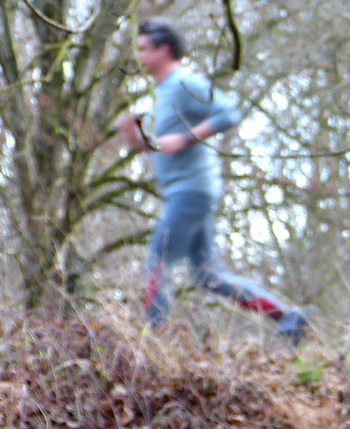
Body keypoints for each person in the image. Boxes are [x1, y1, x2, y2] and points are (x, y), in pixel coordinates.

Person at [116, 18, 309, 345]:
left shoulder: (184, 82)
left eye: (144, 49)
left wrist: (187, 138)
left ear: (164, 49)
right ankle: (288, 316)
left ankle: (153, 345)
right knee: (207, 275)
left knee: (156, 262)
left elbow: (228, 112)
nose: (139, 56)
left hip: (191, 190)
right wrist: (134, 136)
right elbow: (160, 148)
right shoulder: (161, 93)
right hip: (186, 191)